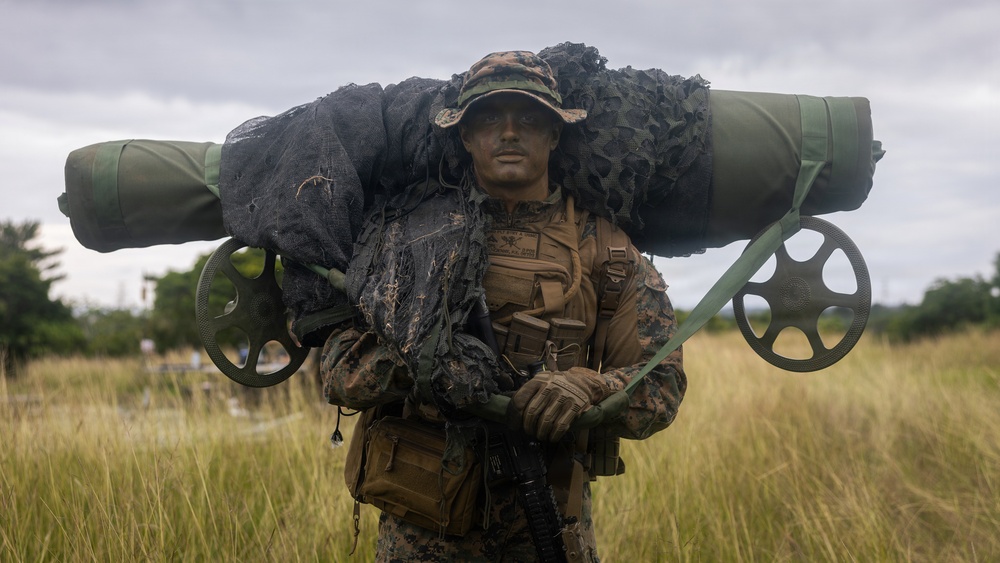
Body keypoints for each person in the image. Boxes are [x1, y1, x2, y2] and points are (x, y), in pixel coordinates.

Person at [322, 51, 686, 562]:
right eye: (489, 119)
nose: (509, 133)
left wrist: (587, 385)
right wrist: (428, 363)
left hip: (547, 523)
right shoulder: (405, 236)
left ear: (554, 134)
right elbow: (340, 372)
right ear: (466, 136)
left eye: (529, 119)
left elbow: (661, 388)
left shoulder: (608, 251)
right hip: (422, 530)